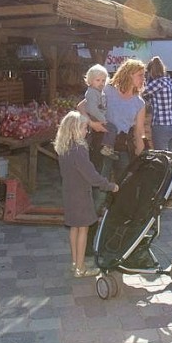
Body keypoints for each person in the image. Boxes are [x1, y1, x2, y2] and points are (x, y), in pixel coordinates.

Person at [54, 111, 119, 278]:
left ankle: (75, 263)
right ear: (75, 129)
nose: (86, 131)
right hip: (81, 195)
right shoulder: (79, 150)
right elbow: (91, 176)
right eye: (84, 128)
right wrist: (110, 186)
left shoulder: (64, 148)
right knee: (83, 229)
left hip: (69, 192)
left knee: (74, 228)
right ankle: (81, 268)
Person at [84, 59, 147, 178]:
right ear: (129, 74)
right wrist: (92, 124)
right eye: (140, 75)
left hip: (123, 146)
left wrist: (140, 149)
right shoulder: (107, 90)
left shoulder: (139, 103)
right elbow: (81, 107)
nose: (143, 79)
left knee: (123, 185)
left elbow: (139, 131)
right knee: (100, 186)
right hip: (103, 143)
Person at [142, 56, 172, 151]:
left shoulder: (156, 83)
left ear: (151, 71)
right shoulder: (171, 82)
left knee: (161, 157)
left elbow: (139, 93)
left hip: (161, 125)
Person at [82, 64, 119, 162]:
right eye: (97, 80)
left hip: (97, 117)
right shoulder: (92, 92)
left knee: (109, 129)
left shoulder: (99, 92)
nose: (101, 83)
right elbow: (91, 108)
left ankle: (105, 147)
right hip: (95, 117)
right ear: (90, 81)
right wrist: (103, 118)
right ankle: (107, 148)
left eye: (103, 80)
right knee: (112, 128)